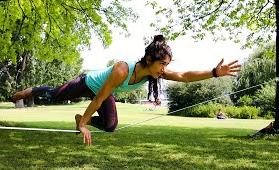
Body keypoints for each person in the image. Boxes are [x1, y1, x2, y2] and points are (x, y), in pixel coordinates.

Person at [12, 35, 241, 146]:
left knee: (110, 127)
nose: (165, 70)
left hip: (103, 93)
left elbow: (184, 76)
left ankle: (80, 117)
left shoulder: (153, 73)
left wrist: (214, 72)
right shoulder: (123, 69)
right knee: (54, 95)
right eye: (162, 64)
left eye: (166, 66)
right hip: (88, 83)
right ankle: (28, 91)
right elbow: (101, 95)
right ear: (150, 59)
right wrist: (84, 126)